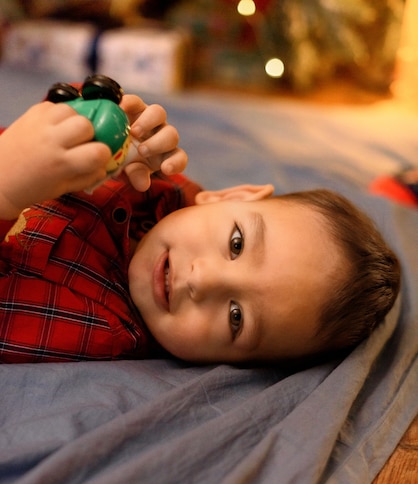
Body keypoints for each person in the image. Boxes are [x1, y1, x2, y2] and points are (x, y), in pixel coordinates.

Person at [0, 93, 401, 364]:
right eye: (237, 243)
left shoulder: (99, 328)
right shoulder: (158, 179)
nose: (203, 279)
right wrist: (106, 115)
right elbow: (52, 115)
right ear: (232, 196)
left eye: (236, 318)